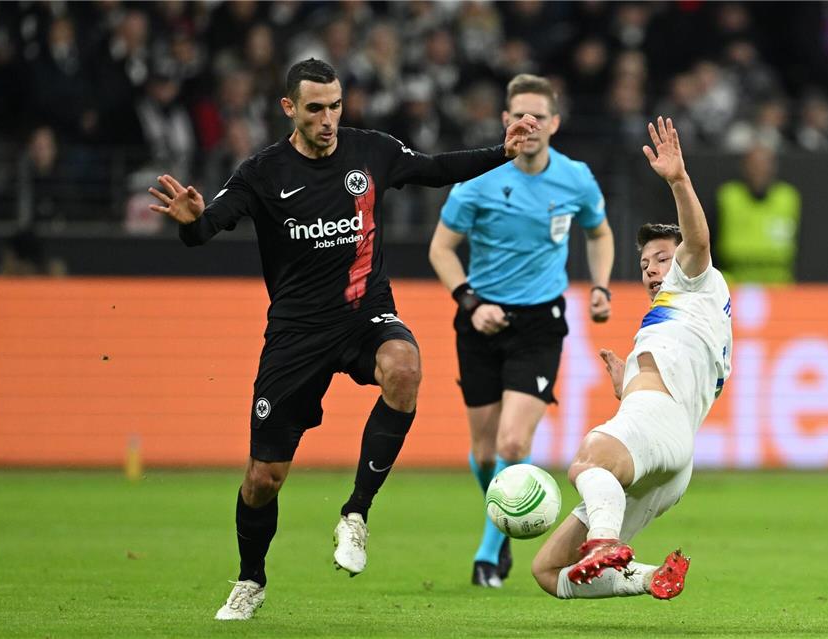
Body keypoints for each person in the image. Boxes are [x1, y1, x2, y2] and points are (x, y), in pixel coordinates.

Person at [147, 58, 539, 621]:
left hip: (364, 314)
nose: (328, 118)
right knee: (263, 479)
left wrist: (500, 151)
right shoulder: (262, 173)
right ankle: (250, 579)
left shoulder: (370, 151)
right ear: (289, 109)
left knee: (404, 368)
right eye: (315, 108)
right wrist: (191, 219)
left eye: (335, 106)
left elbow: (433, 168)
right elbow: (206, 229)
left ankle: (356, 514)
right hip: (296, 334)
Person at [530, 116, 732, 602]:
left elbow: (699, 244)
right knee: (549, 569)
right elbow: (680, 373)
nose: (651, 269)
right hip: (671, 456)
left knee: (587, 460)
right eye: (645, 264)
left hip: (656, 423)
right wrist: (632, 381)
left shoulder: (696, 281)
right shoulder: (683, 318)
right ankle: (649, 577)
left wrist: (679, 180)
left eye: (662, 258)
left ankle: (605, 541)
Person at [428, 73, 615, 588]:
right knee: (485, 452)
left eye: (537, 115)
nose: (527, 124)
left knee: (513, 442)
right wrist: (469, 302)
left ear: (555, 123)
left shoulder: (576, 178)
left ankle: (491, 548)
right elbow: (441, 249)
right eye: (518, 115)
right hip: (481, 319)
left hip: (540, 322)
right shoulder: (478, 181)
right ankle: (507, 522)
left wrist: (600, 286)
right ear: (505, 121)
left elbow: (599, 232)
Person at [715, 145, 801, 284]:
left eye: (764, 165)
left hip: (779, 285)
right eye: (754, 165)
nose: (759, 171)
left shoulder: (788, 198)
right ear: (744, 167)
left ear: (773, 168)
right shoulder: (728, 197)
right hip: (735, 283)